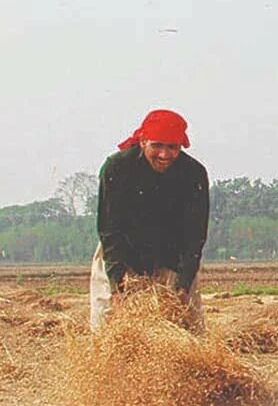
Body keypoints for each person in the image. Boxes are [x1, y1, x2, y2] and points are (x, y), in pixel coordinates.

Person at [89, 109, 209, 332]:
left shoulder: (193, 173)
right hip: (121, 252)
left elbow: (195, 235)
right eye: (157, 146)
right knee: (109, 323)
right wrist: (117, 287)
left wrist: (183, 285)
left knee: (185, 325)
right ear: (143, 141)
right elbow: (110, 229)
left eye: (172, 147)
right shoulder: (117, 167)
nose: (164, 155)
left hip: (172, 252)